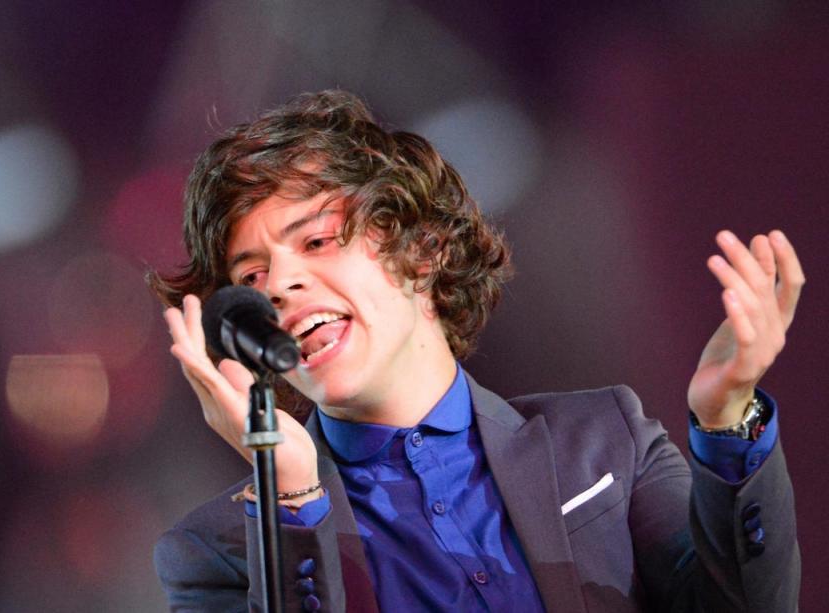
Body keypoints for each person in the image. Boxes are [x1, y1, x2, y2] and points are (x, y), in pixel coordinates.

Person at [150, 90, 803, 612]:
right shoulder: (220, 549)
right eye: (253, 277)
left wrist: (727, 417)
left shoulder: (607, 439)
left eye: (317, 241)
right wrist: (289, 496)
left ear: (424, 248)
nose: (283, 285)